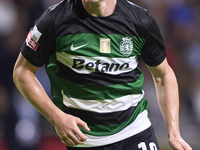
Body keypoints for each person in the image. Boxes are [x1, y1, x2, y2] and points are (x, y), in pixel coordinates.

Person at [13, 0, 192, 149]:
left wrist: (174, 133)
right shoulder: (54, 20)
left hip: (135, 131)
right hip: (85, 140)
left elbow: (163, 74)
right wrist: (56, 117)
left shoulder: (140, 20)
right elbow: (22, 71)